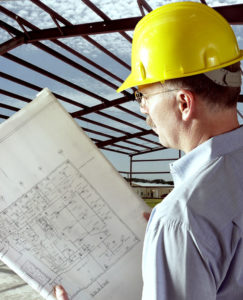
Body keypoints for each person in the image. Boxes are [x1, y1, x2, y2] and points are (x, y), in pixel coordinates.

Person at [55, 2, 243, 299]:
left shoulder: (181, 219)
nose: (143, 106)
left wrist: (173, 232)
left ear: (183, 103)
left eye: (143, 94)